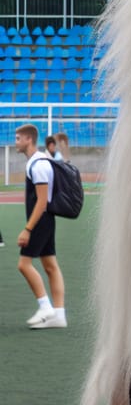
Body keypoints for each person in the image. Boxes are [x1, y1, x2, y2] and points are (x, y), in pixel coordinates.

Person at [15, 124, 67, 329]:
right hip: (45, 220)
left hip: (41, 221)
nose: (15, 141)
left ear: (29, 139)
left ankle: (45, 307)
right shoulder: (38, 162)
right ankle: (59, 315)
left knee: (24, 265)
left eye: (18, 138)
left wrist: (28, 228)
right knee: (50, 266)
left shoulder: (38, 165)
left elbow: (42, 201)